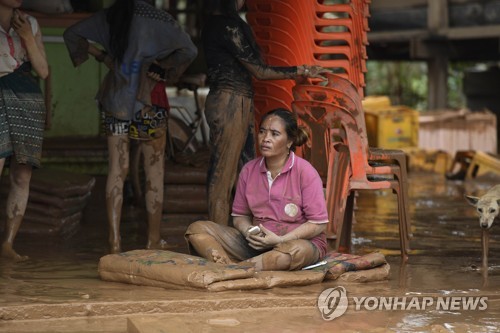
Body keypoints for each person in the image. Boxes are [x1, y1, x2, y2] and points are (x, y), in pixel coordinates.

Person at [63, 0, 197, 254]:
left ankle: (114, 243)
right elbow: (189, 51)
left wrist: (103, 57)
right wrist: (162, 67)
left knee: (117, 169)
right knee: (154, 172)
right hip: (149, 101)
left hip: (116, 99)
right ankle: (153, 240)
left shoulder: (110, 16)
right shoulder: (160, 19)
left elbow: (72, 33)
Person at [202, 0, 330, 226]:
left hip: (234, 99)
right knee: (223, 176)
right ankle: (218, 239)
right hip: (230, 100)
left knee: (244, 170)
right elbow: (259, 71)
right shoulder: (227, 26)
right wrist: (301, 70)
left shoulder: (220, 24)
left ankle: (235, 235)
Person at [185, 108, 329, 271]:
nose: (266, 138)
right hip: (256, 244)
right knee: (196, 229)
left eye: (274, 134)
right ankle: (228, 265)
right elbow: (240, 215)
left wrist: (281, 240)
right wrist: (248, 231)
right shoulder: (249, 170)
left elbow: (318, 223)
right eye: (262, 132)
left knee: (289, 254)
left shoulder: (305, 171)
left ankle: (236, 270)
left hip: (295, 242)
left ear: (289, 141)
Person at [0, 0, 49, 261]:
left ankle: (7, 244)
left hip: (27, 98)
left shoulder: (30, 24)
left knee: (22, 175)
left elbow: (42, 70)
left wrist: (27, 37)